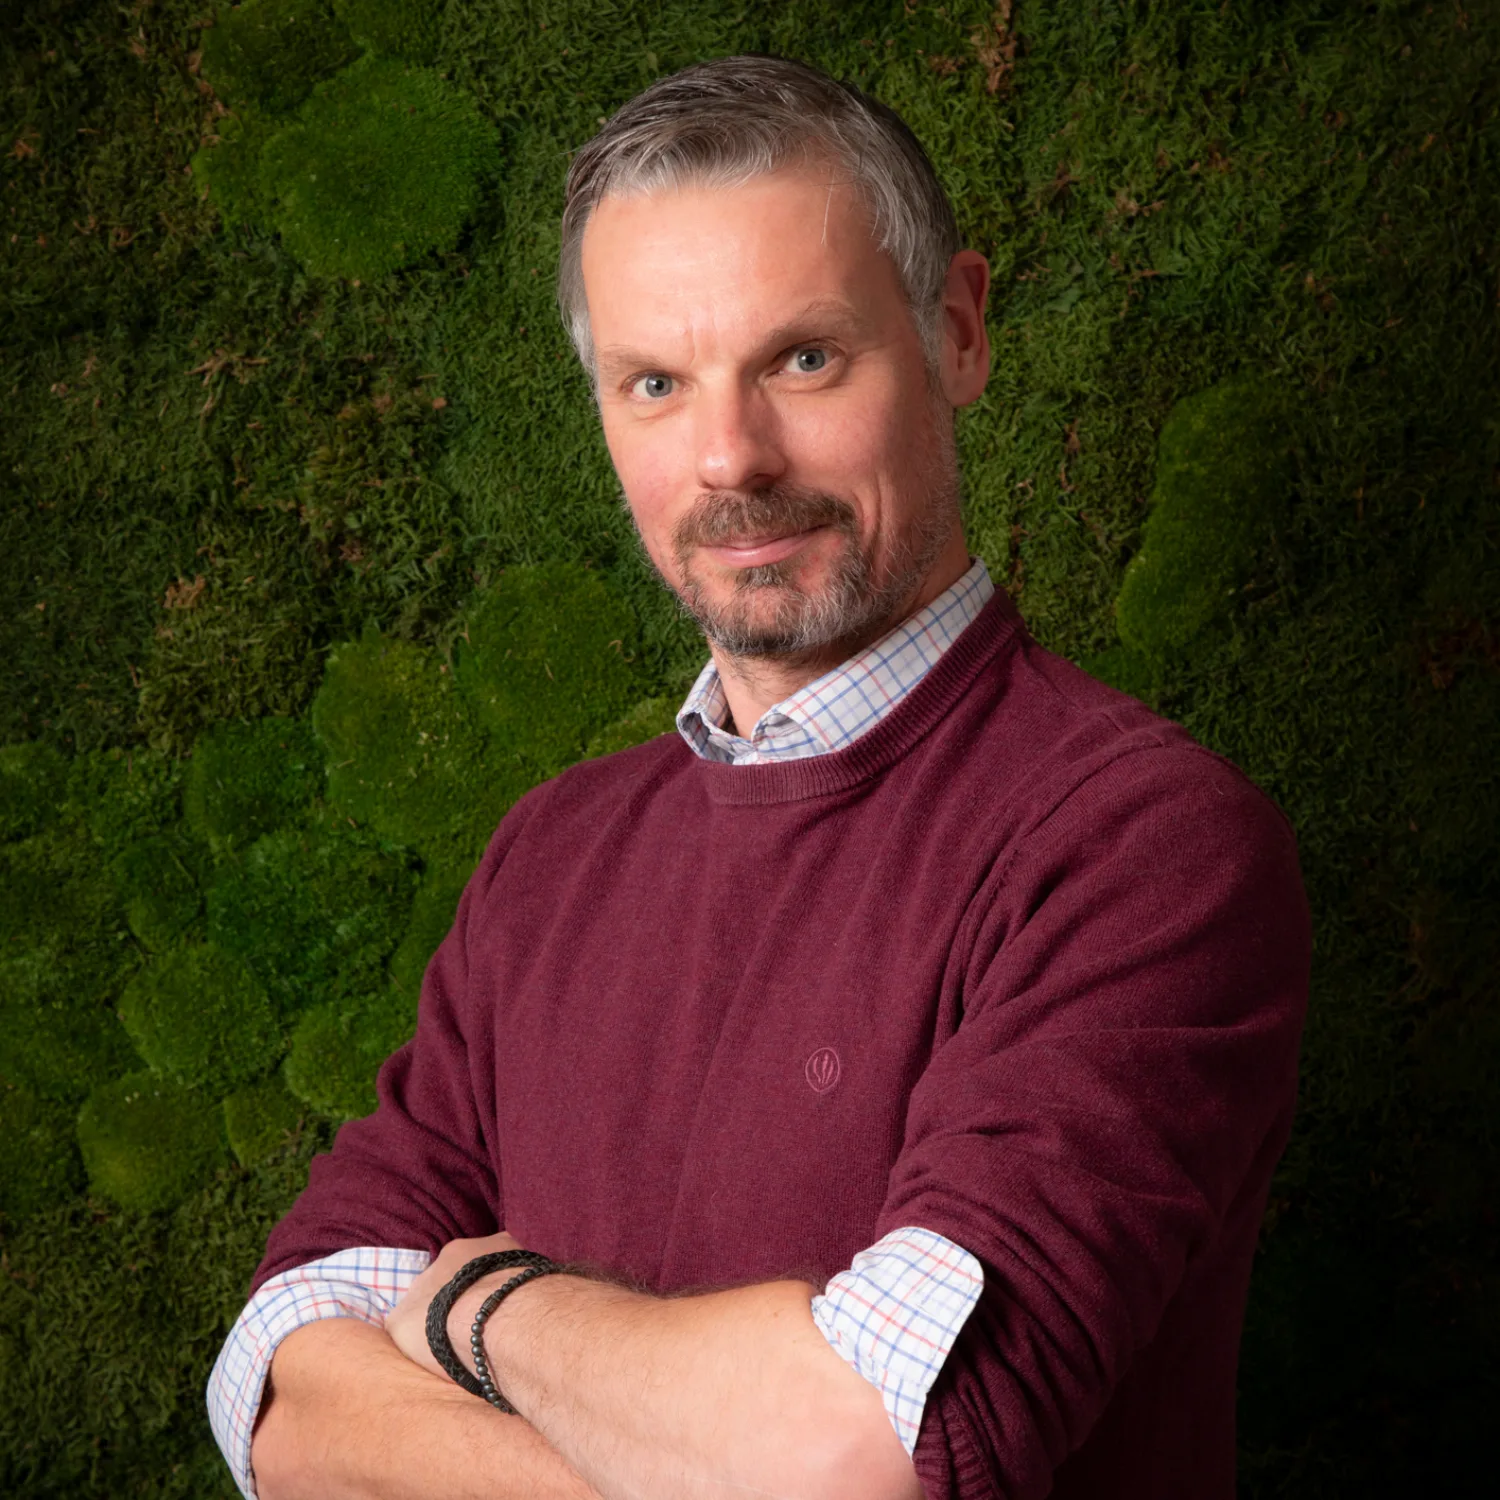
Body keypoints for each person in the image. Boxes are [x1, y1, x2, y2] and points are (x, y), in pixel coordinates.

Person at [207, 55, 1310, 1500]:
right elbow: (279, 1391)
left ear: (959, 332)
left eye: (803, 358)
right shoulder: (551, 854)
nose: (729, 455)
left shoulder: (1144, 844)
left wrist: (482, 1309)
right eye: (655, 382)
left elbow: (876, 1455)